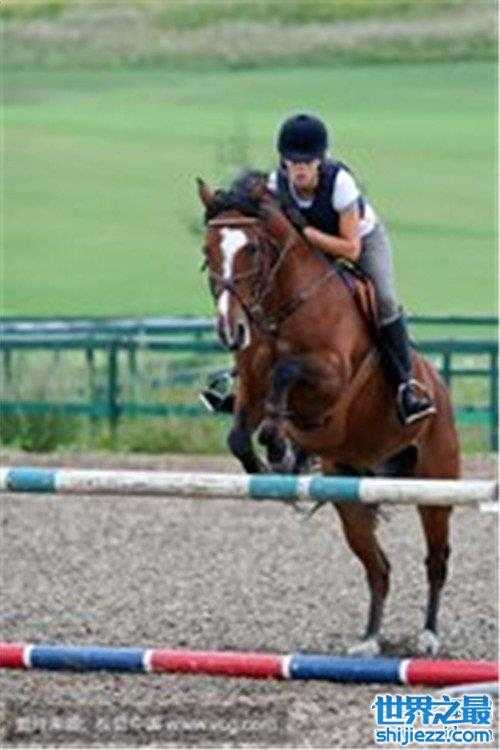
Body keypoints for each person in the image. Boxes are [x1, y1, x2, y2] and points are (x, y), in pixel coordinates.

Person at [202, 113, 435, 426]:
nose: (300, 169)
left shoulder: (340, 185)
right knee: (262, 295)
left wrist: (307, 234)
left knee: (385, 300)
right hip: (309, 247)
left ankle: (406, 386)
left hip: (360, 242)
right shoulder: (276, 185)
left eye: (307, 162)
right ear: (284, 162)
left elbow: (350, 249)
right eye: (293, 162)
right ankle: (240, 381)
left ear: (320, 161)